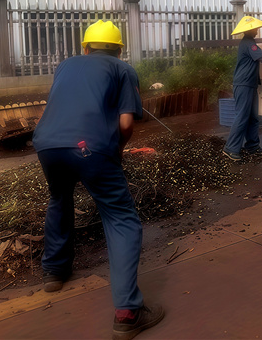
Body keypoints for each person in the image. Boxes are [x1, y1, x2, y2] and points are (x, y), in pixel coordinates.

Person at [32, 20, 164, 340]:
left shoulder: (66, 65)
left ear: (85, 47)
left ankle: (54, 272)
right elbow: (126, 123)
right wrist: (116, 150)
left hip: (47, 143)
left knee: (59, 198)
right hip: (89, 148)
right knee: (120, 218)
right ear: (119, 50)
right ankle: (128, 313)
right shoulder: (122, 69)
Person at [222, 16, 262, 162]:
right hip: (243, 84)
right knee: (242, 116)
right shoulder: (248, 43)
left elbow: (260, 54)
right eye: (255, 28)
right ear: (250, 30)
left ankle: (252, 145)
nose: (257, 30)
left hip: (249, 84)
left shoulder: (250, 43)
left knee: (253, 117)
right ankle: (231, 148)